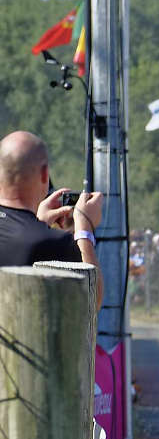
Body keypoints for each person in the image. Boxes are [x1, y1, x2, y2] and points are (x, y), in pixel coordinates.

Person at [0, 131, 104, 308]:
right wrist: (84, 228)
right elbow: (92, 302)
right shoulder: (52, 243)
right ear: (44, 174)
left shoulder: (37, 238)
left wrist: (39, 222)